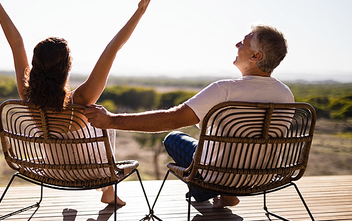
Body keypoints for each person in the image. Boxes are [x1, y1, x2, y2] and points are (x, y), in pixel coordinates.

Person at [0, 0, 165, 206]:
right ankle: (109, 190)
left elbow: (16, 43)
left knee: (97, 117)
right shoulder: (81, 99)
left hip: (50, 171)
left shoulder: (28, 95)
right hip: (92, 175)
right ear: (68, 68)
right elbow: (112, 49)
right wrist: (140, 11)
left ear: (35, 66)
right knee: (101, 115)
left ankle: (107, 192)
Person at [84, 25, 294, 208]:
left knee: (174, 138)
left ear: (256, 56)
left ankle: (216, 191)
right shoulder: (286, 94)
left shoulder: (224, 90)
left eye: (243, 43)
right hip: (264, 176)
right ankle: (224, 194)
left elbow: (172, 119)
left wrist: (111, 120)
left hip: (219, 176)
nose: (237, 44)